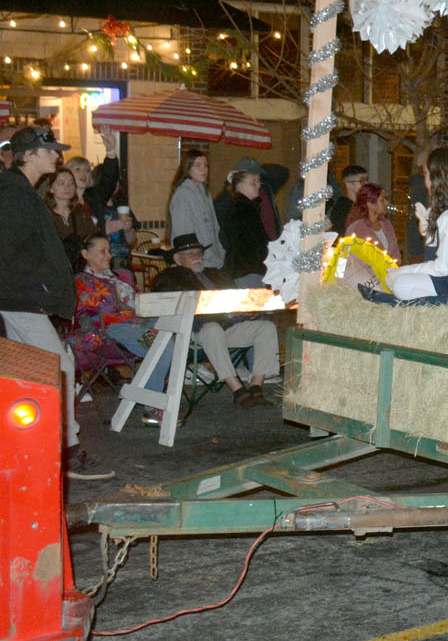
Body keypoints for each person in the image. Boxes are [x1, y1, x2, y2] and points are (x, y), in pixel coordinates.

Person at [1, 126, 112, 480]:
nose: (56, 155)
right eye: (48, 150)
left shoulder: (20, 191)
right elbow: (11, 253)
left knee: (29, 375)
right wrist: (45, 283)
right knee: (59, 369)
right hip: (21, 299)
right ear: (28, 155)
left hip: (21, 298)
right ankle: (66, 452)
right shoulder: (13, 193)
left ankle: (33, 449)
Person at [150, 233, 279, 407]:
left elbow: (235, 300)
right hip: (192, 334)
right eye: (190, 254)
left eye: (198, 253)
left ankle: (256, 386)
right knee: (212, 328)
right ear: (177, 259)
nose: (197, 257)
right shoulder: (169, 278)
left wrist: (246, 312)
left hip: (226, 328)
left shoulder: (216, 275)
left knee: (266, 327)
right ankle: (237, 390)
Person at [372, 145, 448, 305]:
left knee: (401, 284)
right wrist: (428, 232)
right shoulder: (446, 212)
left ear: (438, 179)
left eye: (426, 175)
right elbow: (434, 258)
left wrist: (403, 270)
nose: (425, 182)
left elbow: (444, 268)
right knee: (396, 280)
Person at [71, 233, 170, 422]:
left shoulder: (120, 276)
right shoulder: (82, 281)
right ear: (85, 254)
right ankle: (152, 404)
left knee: (168, 332)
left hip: (139, 324)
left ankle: (142, 393)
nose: (108, 255)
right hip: (112, 329)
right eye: (102, 251)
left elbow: (140, 300)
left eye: (108, 251)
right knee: (162, 346)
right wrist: (134, 316)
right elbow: (97, 312)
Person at [168, 149, 225, 270]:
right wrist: (193, 259)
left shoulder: (205, 192)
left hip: (213, 259)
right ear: (187, 168)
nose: (203, 169)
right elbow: (183, 234)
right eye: (197, 165)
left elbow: (214, 228)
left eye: (205, 166)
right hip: (196, 262)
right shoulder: (182, 194)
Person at [342, 182, 402, 289]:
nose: (387, 203)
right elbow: (344, 260)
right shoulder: (356, 229)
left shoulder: (386, 225)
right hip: (366, 284)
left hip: (390, 279)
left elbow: (396, 254)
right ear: (371, 205)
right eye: (382, 200)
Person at [220, 168, 271, 288]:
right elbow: (253, 241)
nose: (258, 185)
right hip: (247, 270)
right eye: (253, 182)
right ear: (239, 185)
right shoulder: (242, 208)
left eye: (259, 181)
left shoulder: (246, 206)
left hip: (246, 269)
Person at [46, 167, 100, 244]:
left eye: (71, 183)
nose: (67, 187)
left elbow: (94, 239)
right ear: (51, 188)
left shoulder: (81, 212)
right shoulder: (44, 214)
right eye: (61, 183)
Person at [329, 164, 369, 235]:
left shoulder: (363, 204)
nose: (366, 184)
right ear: (348, 183)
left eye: (367, 180)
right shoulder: (342, 207)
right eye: (361, 181)